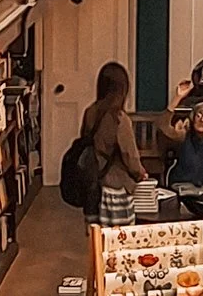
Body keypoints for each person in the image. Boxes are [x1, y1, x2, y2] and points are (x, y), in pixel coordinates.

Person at [61, 62, 145, 213]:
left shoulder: (90, 112)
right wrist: (140, 173)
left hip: (92, 184)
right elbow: (129, 154)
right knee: (118, 235)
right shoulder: (120, 118)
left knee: (95, 233)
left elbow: (86, 139)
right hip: (115, 187)